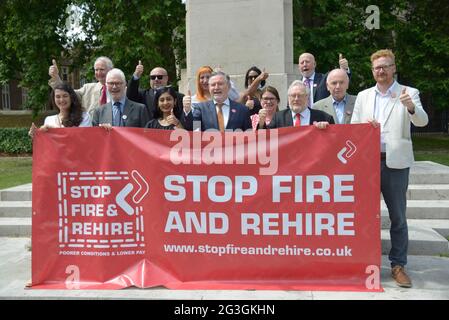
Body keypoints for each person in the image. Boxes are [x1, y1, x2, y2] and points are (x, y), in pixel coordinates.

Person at [351, 49, 429, 288]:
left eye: (386, 66)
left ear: (394, 68)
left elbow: (423, 121)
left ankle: (398, 265)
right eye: (377, 67)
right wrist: (364, 126)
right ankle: (367, 263)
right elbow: (353, 126)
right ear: (372, 71)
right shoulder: (363, 96)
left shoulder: (408, 93)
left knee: (397, 216)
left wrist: (411, 108)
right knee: (365, 216)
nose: (381, 71)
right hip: (368, 164)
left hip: (395, 163)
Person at [183, 71, 252, 131]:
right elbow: (194, 130)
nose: (216, 87)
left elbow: (248, 137)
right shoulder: (200, 109)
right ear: (209, 88)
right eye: (213, 85)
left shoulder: (242, 110)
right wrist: (187, 111)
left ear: (228, 86)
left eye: (220, 84)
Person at [48, 56, 113, 116]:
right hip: (91, 127)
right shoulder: (87, 88)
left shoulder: (120, 89)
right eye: (96, 70)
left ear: (110, 70)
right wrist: (56, 77)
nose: (98, 73)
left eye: (102, 69)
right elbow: (68, 93)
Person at [262, 80, 334, 129]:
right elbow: (267, 139)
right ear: (288, 98)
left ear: (307, 97)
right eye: (293, 95)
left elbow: (333, 142)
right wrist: (261, 123)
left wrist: (326, 129)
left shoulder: (324, 118)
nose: (296, 99)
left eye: (300, 95)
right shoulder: (278, 118)